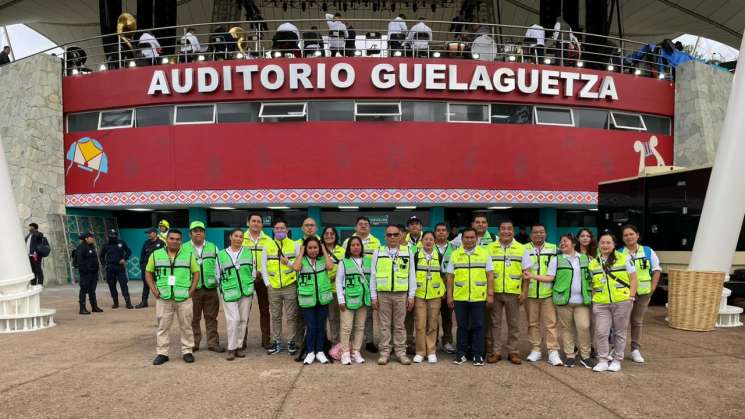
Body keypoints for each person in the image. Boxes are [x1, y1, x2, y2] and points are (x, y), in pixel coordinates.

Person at [144, 229, 200, 366]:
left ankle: (187, 351)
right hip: (164, 297)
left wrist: (191, 290)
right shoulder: (156, 255)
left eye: (177, 239)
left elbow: (196, 272)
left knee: (186, 326)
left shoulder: (188, 255)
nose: (175, 241)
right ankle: (162, 353)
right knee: (163, 327)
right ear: (166, 240)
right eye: (172, 238)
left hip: (184, 298)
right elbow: (148, 272)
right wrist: (153, 289)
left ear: (181, 241)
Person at [590, 232, 638, 372]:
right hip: (601, 303)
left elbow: (634, 279)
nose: (605, 245)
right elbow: (592, 284)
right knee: (601, 332)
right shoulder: (593, 263)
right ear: (599, 245)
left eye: (608, 242)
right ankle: (603, 360)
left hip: (622, 301)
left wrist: (631, 296)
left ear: (614, 244)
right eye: (602, 243)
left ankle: (617, 360)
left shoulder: (624, 258)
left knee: (619, 332)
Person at [446, 228, 494, 366]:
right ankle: (460, 354)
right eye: (466, 237)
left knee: (479, 326)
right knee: (462, 326)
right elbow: (450, 277)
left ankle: (477, 354)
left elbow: (490, 275)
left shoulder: (484, 254)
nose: (469, 240)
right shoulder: (455, 254)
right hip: (460, 297)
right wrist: (450, 296)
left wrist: (490, 294)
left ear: (477, 239)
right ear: (462, 240)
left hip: (479, 297)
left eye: (472, 237)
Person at [370, 224, 416, 365]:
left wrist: (411, 296)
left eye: (395, 234)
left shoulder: (408, 252)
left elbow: (411, 275)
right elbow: (373, 275)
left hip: (401, 294)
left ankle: (401, 353)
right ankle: (384, 353)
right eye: (389, 235)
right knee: (384, 325)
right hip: (383, 294)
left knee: (400, 325)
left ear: (401, 235)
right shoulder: (378, 252)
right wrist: (373, 296)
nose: (392, 237)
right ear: (385, 237)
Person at [551, 233, 595, 368]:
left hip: (582, 301)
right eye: (561, 242)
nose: (562, 244)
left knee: (584, 327)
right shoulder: (556, 259)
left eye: (565, 241)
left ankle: (585, 355)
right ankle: (570, 355)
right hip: (563, 300)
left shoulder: (586, 259)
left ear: (574, 243)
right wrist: (533, 276)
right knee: (567, 328)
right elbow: (550, 277)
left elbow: (594, 277)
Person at [620, 224, 661, 364]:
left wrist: (653, 287)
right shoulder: (619, 253)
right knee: (621, 322)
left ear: (637, 235)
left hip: (643, 292)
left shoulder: (648, 251)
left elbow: (656, 269)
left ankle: (635, 349)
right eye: (625, 235)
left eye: (631, 234)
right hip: (625, 293)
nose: (629, 237)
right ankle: (616, 348)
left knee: (637, 321)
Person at [485, 220, 525, 364]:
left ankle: (513, 351)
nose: (506, 231)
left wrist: (524, 291)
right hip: (494, 291)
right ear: (498, 231)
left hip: (513, 292)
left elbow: (526, 272)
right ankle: (496, 352)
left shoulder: (521, 248)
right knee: (495, 323)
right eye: (503, 229)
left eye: (509, 229)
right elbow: (485, 271)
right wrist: (488, 292)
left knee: (513, 323)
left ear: (513, 231)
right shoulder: (490, 248)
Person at [182, 221, 224, 353]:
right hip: (193, 289)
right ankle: (194, 343)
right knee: (193, 318)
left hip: (210, 288)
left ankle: (213, 343)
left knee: (211, 317)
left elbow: (219, 266)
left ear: (204, 233)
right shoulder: (183, 248)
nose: (198, 233)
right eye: (195, 230)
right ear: (190, 234)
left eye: (201, 230)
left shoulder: (213, 247)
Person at [522, 224, 561, 366]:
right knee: (533, 323)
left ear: (546, 234)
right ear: (531, 234)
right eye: (536, 232)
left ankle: (553, 351)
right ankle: (536, 349)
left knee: (551, 323)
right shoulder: (524, 249)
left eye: (542, 232)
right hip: (531, 293)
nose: (539, 234)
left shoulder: (554, 249)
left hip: (548, 293)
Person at [216, 228, 257, 361]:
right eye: (236, 236)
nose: (238, 238)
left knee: (243, 320)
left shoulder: (248, 253)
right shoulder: (221, 254)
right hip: (229, 291)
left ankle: (239, 347)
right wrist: (222, 287)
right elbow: (217, 274)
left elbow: (253, 270)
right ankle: (231, 348)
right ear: (230, 237)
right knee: (233, 320)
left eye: (240, 236)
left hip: (246, 291)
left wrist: (250, 283)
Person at [293, 237, 334, 365]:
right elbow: (296, 267)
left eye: (315, 247)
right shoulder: (302, 260)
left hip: (323, 298)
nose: (313, 250)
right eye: (310, 248)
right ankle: (310, 352)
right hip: (307, 299)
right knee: (311, 326)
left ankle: (320, 351)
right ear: (306, 249)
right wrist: (301, 252)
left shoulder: (322, 259)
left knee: (321, 326)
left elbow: (330, 266)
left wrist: (323, 248)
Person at [343, 216, 381, 352]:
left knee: (369, 315)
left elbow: (378, 264)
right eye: (360, 224)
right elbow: (344, 262)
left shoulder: (376, 242)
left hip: (368, 284)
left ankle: (369, 341)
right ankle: (352, 342)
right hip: (352, 285)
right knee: (352, 314)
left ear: (370, 227)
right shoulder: (348, 241)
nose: (363, 226)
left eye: (366, 224)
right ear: (355, 227)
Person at [265, 219, 300, 355]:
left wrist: (289, 263)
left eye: (282, 228)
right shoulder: (267, 246)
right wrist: (268, 284)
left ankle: (291, 341)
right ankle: (277, 341)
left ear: (287, 230)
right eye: (277, 228)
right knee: (276, 316)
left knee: (291, 315)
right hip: (273, 287)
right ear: (273, 230)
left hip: (290, 285)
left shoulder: (294, 245)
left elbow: (298, 265)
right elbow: (263, 266)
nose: (279, 231)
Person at [336, 236, 372, 365]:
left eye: (358, 245)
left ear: (361, 247)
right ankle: (345, 353)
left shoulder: (368, 261)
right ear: (349, 248)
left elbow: (372, 280)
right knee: (346, 327)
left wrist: (373, 297)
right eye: (353, 245)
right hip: (348, 299)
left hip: (363, 299)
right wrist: (340, 299)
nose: (356, 247)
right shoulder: (344, 262)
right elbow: (338, 281)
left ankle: (356, 351)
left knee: (360, 327)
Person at [412, 232, 445, 363]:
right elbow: (411, 275)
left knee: (433, 324)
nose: (428, 241)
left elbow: (444, 275)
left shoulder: (440, 256)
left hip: (435, 294)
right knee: (420, 324)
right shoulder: (416, 256)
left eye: (431, 239)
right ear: (421, 241)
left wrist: (443, 291)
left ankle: (431, 351)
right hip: (419, 294)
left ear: (435, 242)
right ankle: (420, 352)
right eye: (426, 239)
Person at [242, 213, 273, 349]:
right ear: (248, 222)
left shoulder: (268, 240)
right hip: (246, 279)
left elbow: (271, 259)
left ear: (262, 224)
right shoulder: (240, 238)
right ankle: (241, 341)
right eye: (253, 221)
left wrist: (262, 272)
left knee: (265, 310)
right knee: (244, 311)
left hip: (263, 279)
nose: (256, 223)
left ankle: (266, 341)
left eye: (259, 221)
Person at [322, 226, 346, 346]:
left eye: (332, 233)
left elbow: (347, 268)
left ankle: (341, 343)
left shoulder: (342, 250)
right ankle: (330, 342)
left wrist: (336, 276)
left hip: (338, 290)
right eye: (326, 233)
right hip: (324, 290)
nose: (329, 235)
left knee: (339, 318)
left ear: (336, 236)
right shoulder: (319, 250)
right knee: (328, 319)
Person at [434, 222, 456, 354]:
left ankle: (447, 341)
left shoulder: (454, 248)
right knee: (433, 317)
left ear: (448, 233)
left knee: (447, 317)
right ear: (435, 233)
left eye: (443, 230)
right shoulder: (429, 246)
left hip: (449, 287)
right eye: (438, 230)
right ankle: (433, 341)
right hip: (434, 288)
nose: (441, 232)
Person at [99, 229, 133, 309]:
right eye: (111, 235)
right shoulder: (105, 245)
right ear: (108, 236)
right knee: (112, 286)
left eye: (114, 235)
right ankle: (115, 303)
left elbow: (129, 251)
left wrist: (124, 259)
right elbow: (101, 256)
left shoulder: (121, 242)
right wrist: (104, 264)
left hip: (120, 268)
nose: (113, 236)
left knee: (124, 285)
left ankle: (128, 303)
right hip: (110, 268)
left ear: (116, 235)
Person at [75, 233, 103, 315]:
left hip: (93, 273)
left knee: (92, 290)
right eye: (91, 237)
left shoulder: (92, 246)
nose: (93, 238)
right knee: (83, 290)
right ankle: (82, 308)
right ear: (86, 238)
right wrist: (85, 271)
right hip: (86, 273)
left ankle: (94, 307)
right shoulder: (81, 248)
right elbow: (80, 261)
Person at [136, 228, 164, 308]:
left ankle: (163, 302)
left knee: (160, 285)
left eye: (150, 233)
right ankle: (144, 302)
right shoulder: (146, 243)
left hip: (157, 268)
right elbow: (142, 255)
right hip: (147, 268)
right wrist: (142, 266)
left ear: (155, 233)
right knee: (146, 285)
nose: (148, 234)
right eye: (147, 233)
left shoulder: (161, 243)